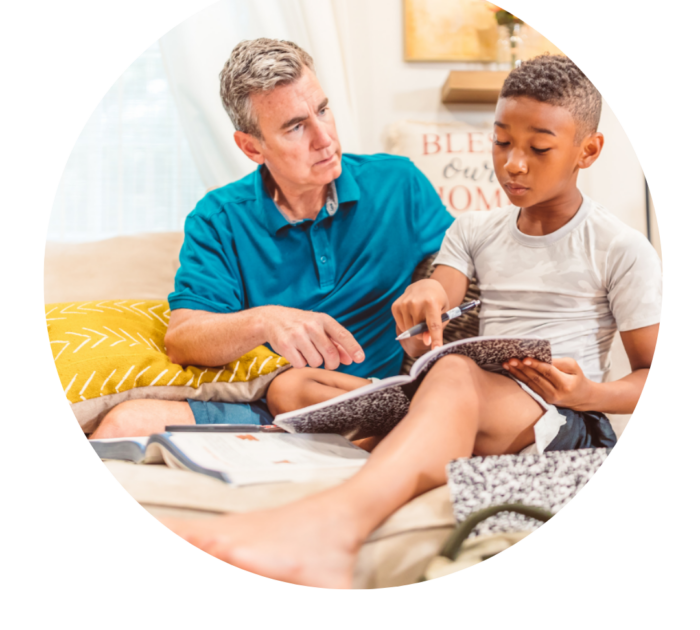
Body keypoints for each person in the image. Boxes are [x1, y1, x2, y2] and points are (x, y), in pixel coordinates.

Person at [159, 54, 663, 590]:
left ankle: (335, 526)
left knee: (451, 376)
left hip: (559, 416)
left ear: (588, 150)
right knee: (293, 386)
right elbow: (442, 283)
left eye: (538, 149)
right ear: (251, 145)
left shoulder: (621, 248)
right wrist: (425, 292)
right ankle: (428, 435)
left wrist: (587, 393)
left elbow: (664, 383)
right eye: (500, 143)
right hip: (481, 399)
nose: (514, 164)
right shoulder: (474, 230)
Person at [88, 38, 454, 440]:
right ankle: (388, 428)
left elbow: (463, 258)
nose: (324, 138)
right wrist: (267, 319)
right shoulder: (219, 217)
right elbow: (183, 339)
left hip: (359, 392)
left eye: (323, 110)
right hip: (265, 399)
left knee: (294, 389)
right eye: (296, 127)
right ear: (251, 147)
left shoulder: (398, 182)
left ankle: (399, 421)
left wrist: (432, 282)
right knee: (121, 425)